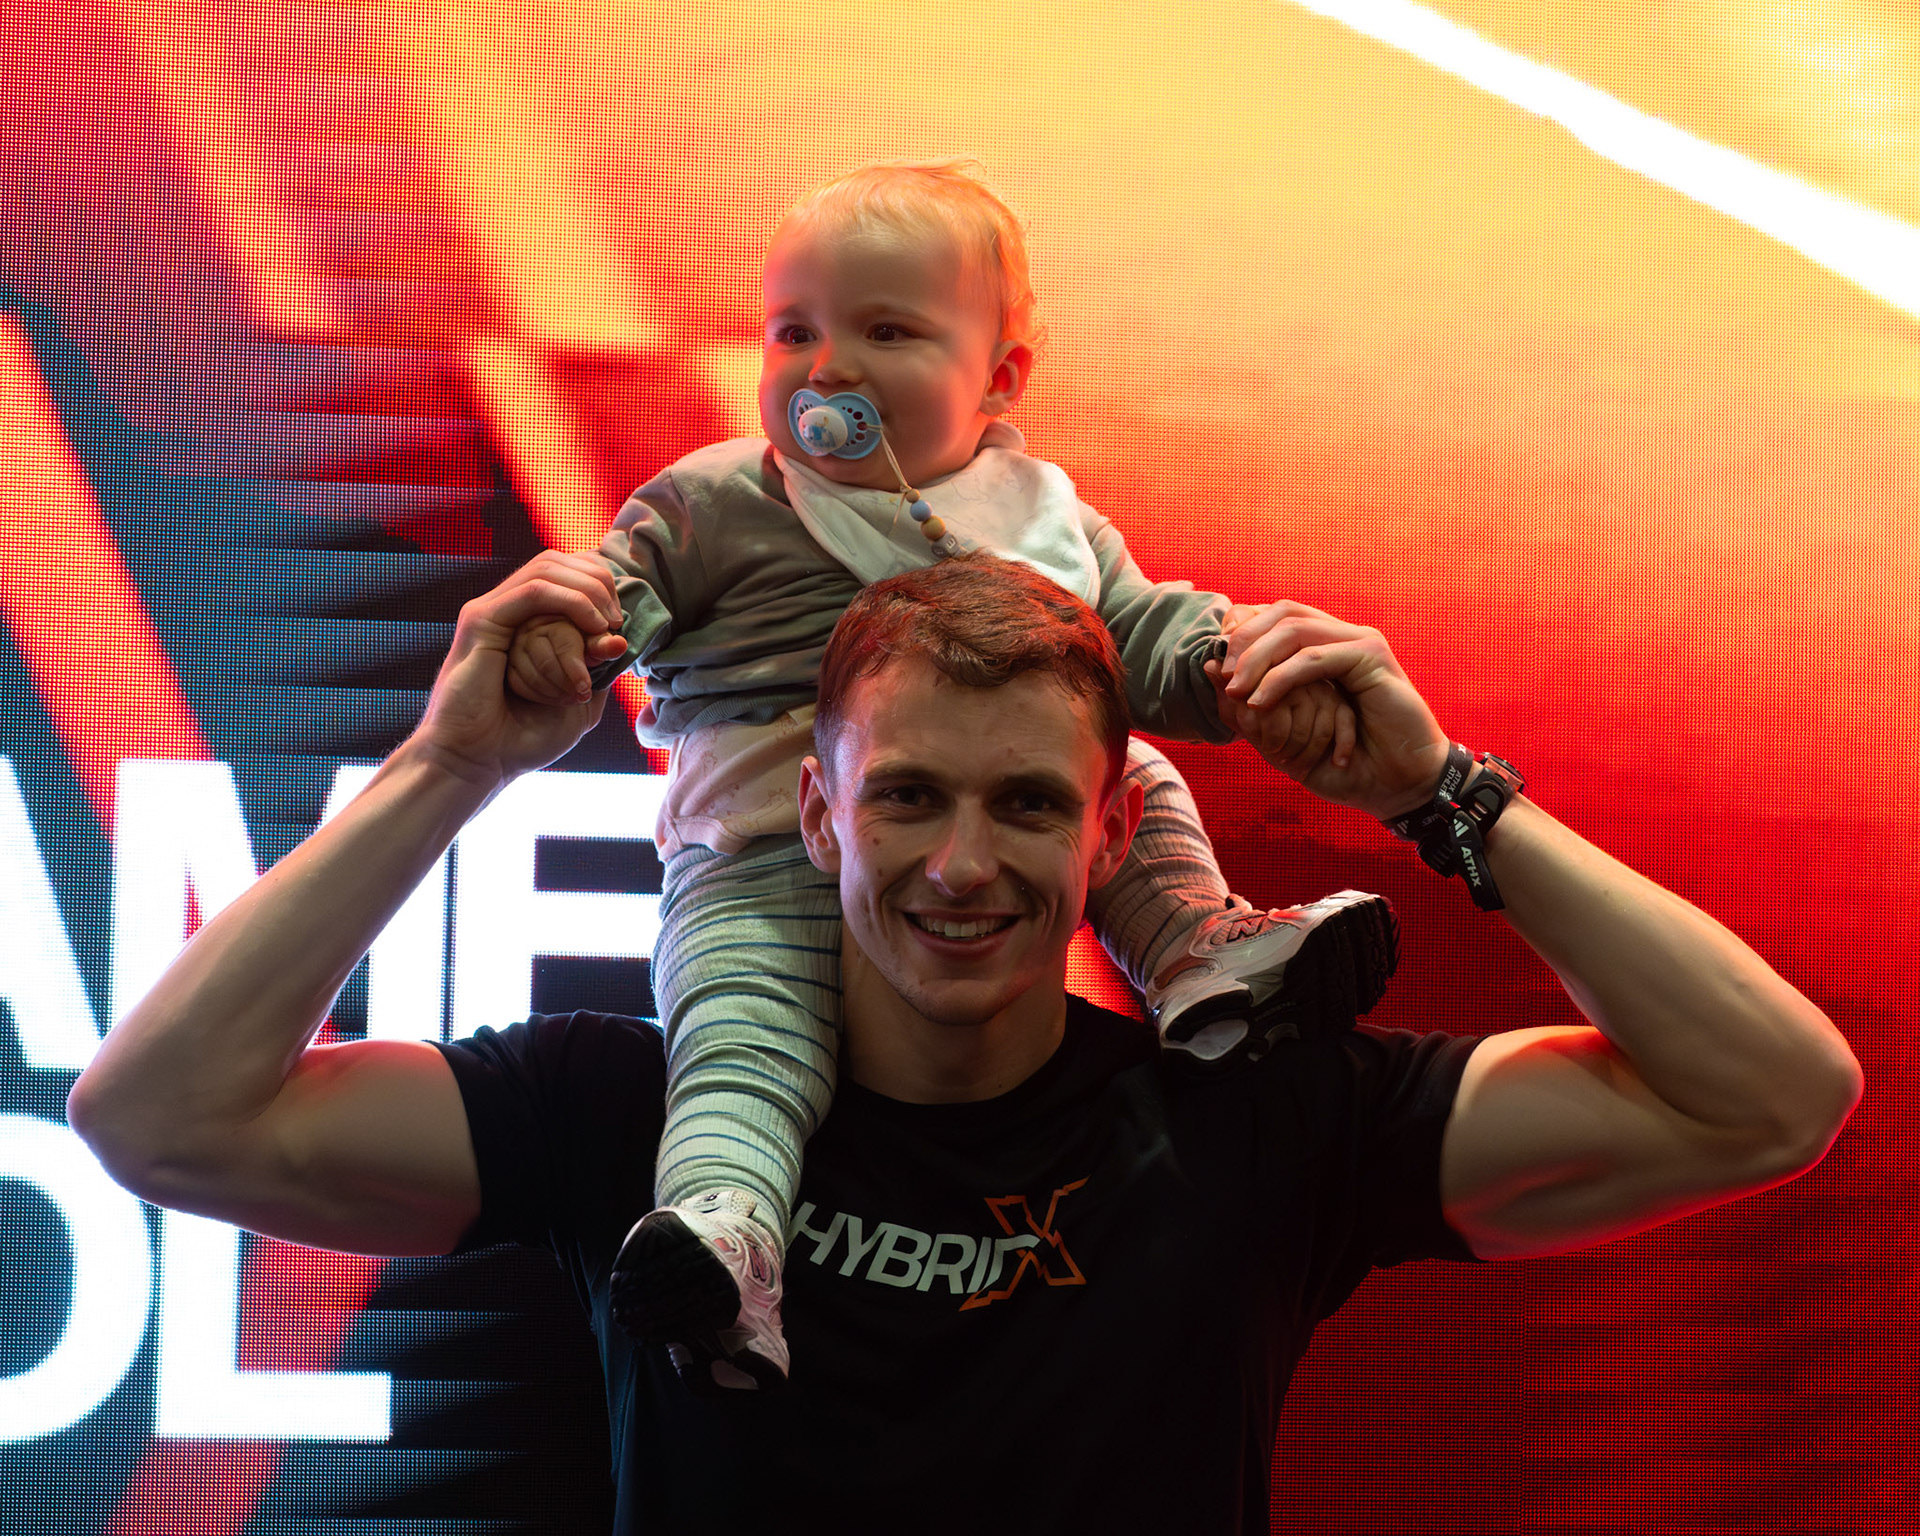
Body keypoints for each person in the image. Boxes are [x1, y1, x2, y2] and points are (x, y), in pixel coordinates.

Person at [69, 550, 1860, 1535]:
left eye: (1028, 805)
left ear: (1114, 835)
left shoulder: (1254, 1121)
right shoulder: (630, 1113)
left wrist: (1442, 795)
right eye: (910, 797)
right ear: (818, 818)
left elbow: (1771, 1095)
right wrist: (450, 764)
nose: (962, 864)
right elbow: (160, 1117)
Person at [497, 159, 1397, 1385]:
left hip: (973, 824)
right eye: (793, 332)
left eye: (887, 332)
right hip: (762, 845)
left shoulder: (1044, 517)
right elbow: (620, 594)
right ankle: (725, 1233)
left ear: (1001, 377)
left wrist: (1235, 664)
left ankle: (1197, 952)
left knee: (1126, 780)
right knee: (741, 1035)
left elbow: (1140, 630)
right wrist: (568, 630)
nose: (828, 369)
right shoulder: (717, 501)